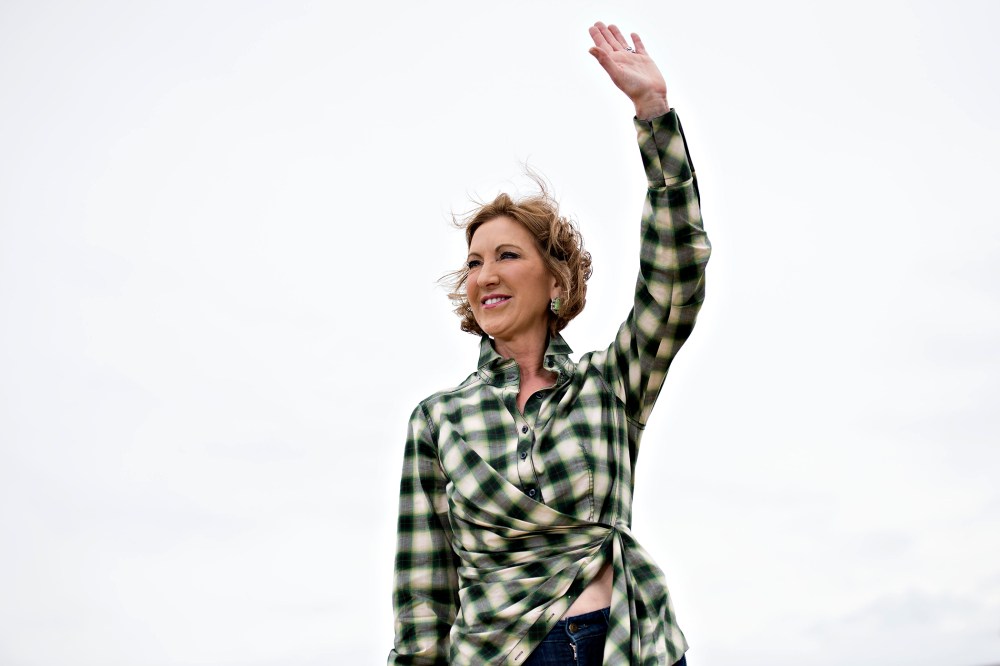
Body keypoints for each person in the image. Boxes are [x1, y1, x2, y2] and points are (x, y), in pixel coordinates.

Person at [389, 21, 710, 666]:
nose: (485, 275)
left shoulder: (609, 383)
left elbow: (675, 279)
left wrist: (654, 113)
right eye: (474, 263)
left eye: (507, 255)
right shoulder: (438, 420)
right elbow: (424, 598)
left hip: (619, 644)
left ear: (555, 276)